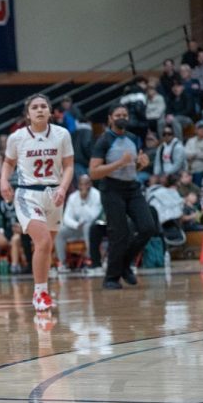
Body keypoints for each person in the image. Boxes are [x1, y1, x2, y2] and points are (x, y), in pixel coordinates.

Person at [0, 94, 74, 311]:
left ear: (50, 112)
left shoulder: (62, 134)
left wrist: (63, 188)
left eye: (44, 106)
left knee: (46, 246)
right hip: (27, 194)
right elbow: (8, 163)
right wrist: (4, 181)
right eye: (35, 107)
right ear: (28, 113)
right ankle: (40, 293)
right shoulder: (17, 137)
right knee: (42, 242)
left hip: (55, 194)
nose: (40, 110)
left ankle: (43, 290)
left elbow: (69, 165)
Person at [89, 103, 158, 290]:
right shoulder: (103, 141)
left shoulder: (133, 138)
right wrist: (119, 163)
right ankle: (111, 278)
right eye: (118, 114)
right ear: (110, 118)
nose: (122, 117)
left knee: (148, 227)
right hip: (111, 189)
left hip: (132, 188)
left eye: (125, 115)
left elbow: (132, 167)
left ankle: (125, 264)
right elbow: (94, 172)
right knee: (119, 234)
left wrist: (141, 165)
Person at [55, 175, 101, 272]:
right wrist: (75, 224)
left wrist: (83, 201)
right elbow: (66, 217)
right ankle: (62, 263)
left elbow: (93, 216)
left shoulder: (97, 195)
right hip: (76, 227)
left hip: (92, 228)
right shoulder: (73, 197)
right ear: (78, 185)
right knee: (60, 232)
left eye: (86, 183)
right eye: (81, 184)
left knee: (87, 227)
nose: (84, 186)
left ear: (90, 184)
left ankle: (89, 260)